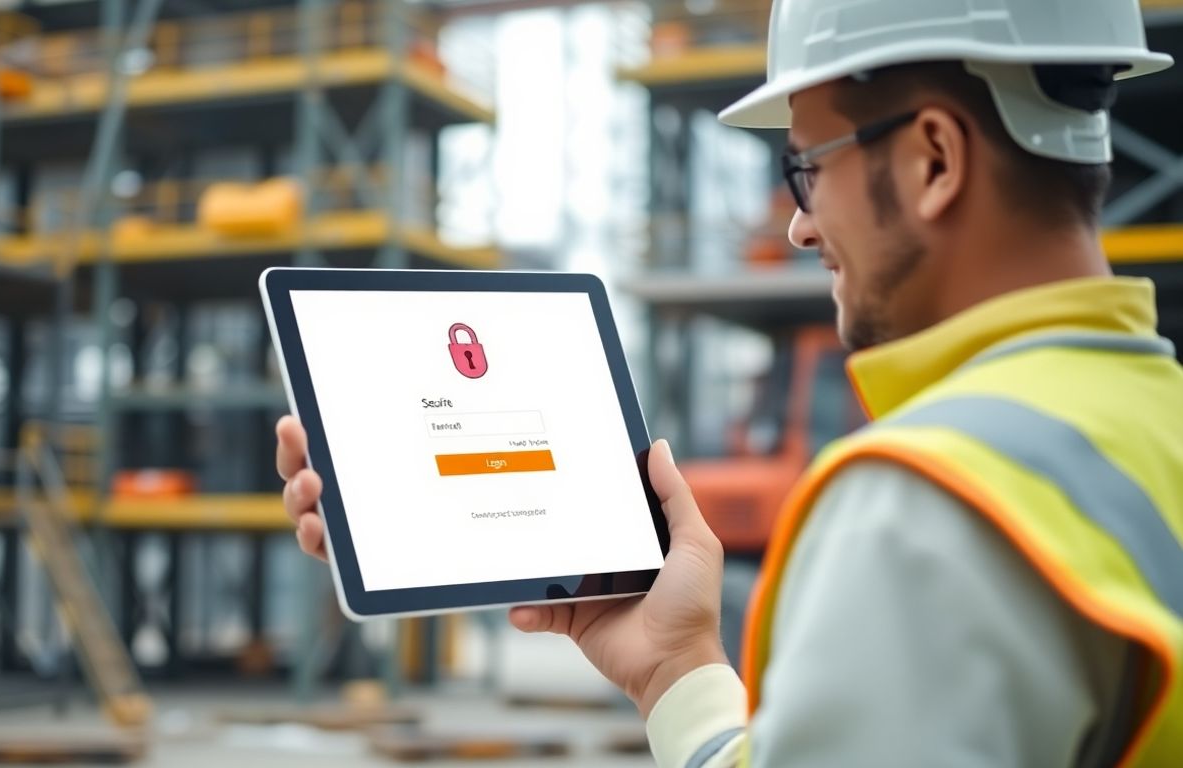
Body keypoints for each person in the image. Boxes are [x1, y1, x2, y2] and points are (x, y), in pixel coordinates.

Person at [275, 0, 1183, 764]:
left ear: (933, 160)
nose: (795, 227)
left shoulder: (929, 508)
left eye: (806, 167)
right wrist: (674, 666)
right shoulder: (1151, 424)